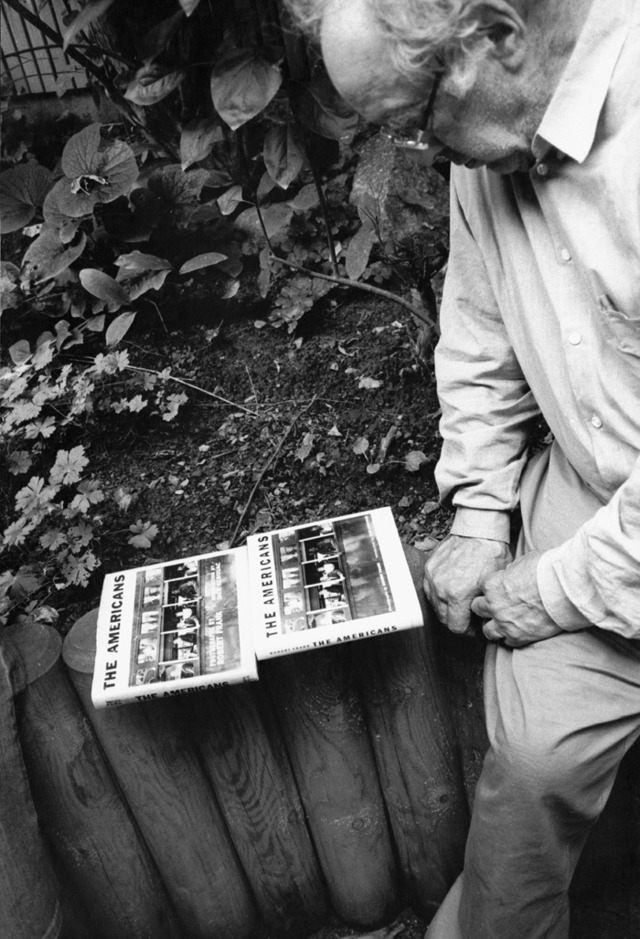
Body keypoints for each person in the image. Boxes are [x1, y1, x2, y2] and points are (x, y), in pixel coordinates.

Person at [284, 1, 640, 937]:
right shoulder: (494, 133)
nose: (422, 151)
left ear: (493, 39)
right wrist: (482, 513)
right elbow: (480, 334)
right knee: (529, 764)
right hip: (596, 487)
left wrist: (556, 589)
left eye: (415, 118)